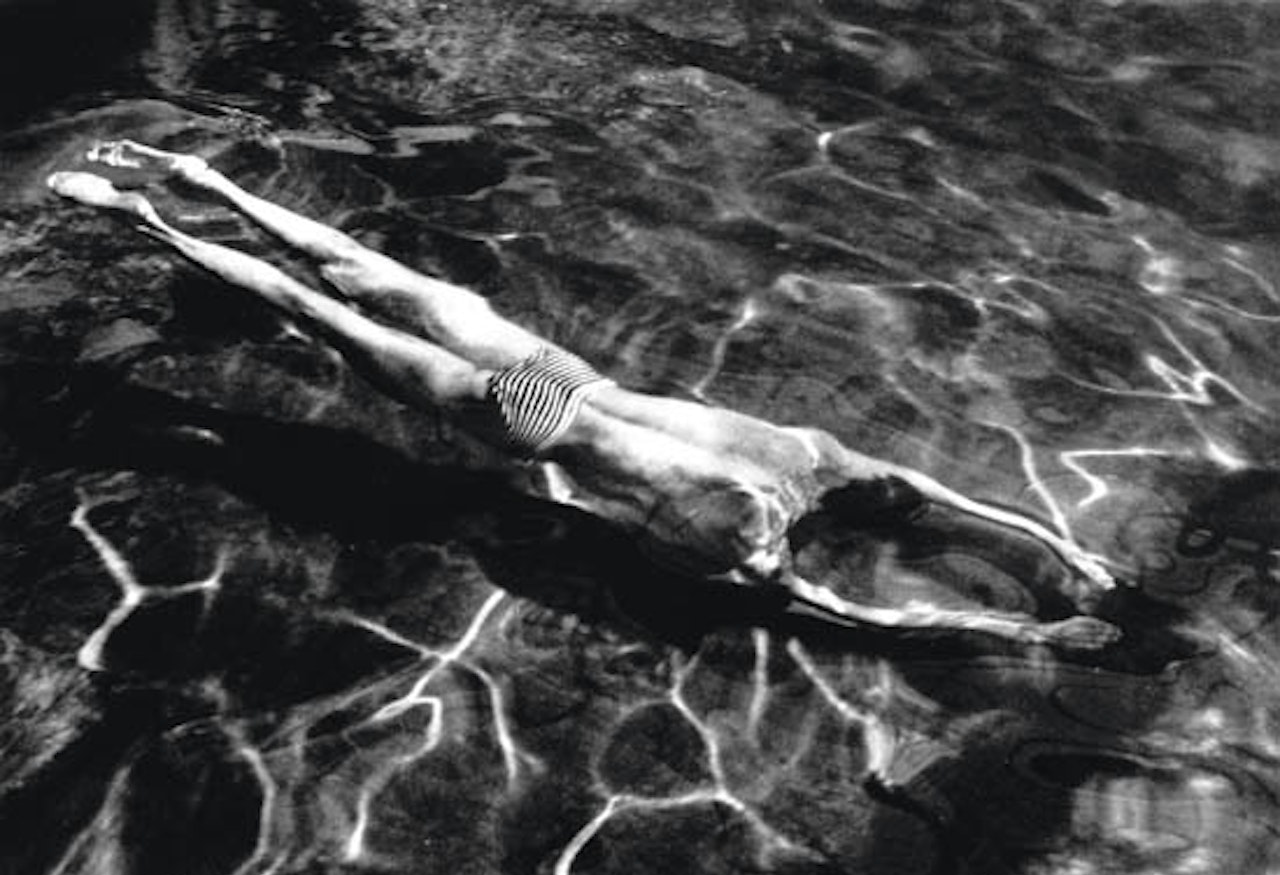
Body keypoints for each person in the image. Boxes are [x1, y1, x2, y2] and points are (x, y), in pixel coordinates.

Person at [47, 140, 1121, 651]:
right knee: (326, 315)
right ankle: (140, 217)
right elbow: (860, 610)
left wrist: (1059, 559)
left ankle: (200, 185)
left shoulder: (810, 454)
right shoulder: (748, 541)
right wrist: (1034, 628)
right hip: (536, 419)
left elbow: (935, 504)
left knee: (374, 280)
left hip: (560, 373)